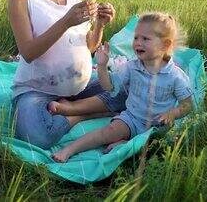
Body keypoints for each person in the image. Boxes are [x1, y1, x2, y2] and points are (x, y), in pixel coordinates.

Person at [7, 0, 119, 149]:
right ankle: (84, 113)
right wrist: (66, 21)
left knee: (131, 91)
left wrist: (100, 24)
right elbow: (28, 53)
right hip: (38, 91)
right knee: (36, 135)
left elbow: (89, 46)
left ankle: (73, 110)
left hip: (81, 88)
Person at [51, 12, 194, 162]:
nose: (138, 42)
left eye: (145, 39)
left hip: (158, 128)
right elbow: (109, 87)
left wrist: (173, 113)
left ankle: (126, 143)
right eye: (136, 37)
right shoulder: (132, 67)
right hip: (132, 119)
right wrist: (101, 65)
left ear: (165, 45)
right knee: (108, 132)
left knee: (157, 147)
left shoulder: (175, 76)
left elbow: (187, 105)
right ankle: (69, 149)